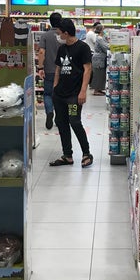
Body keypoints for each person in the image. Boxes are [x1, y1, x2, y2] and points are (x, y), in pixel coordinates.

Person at [50, 18, 93, 168]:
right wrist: (55, 87)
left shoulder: (83, 47)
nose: (58, 35)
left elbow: (87, 69)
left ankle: (86, 153)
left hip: (74, 95)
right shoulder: (62, 49)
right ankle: (67, 155)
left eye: (59, 32)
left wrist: (83, 91)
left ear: (66, 33)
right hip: (59, 95)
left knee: (74, 121)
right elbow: (58, 68)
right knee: (61, 123)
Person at [37, 11, 63, 130]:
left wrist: (40, 67)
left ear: (50, 22)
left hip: (49, 70)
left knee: (48, 94)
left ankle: (49, 112)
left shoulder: (45, 36)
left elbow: (41, 52)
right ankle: (59, 118)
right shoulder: (64, 35)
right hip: (63, 71)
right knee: (60, 95)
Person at [91, 24, 109, 96]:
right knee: (98, 74)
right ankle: (96, 90)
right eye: (103, 29)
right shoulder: (99, 38)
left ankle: (99, 89)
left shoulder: (100, 37)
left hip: (100, 58)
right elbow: (105, 47)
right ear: (101, 30)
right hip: (99, 59)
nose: (105, 30)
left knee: (100, 74)